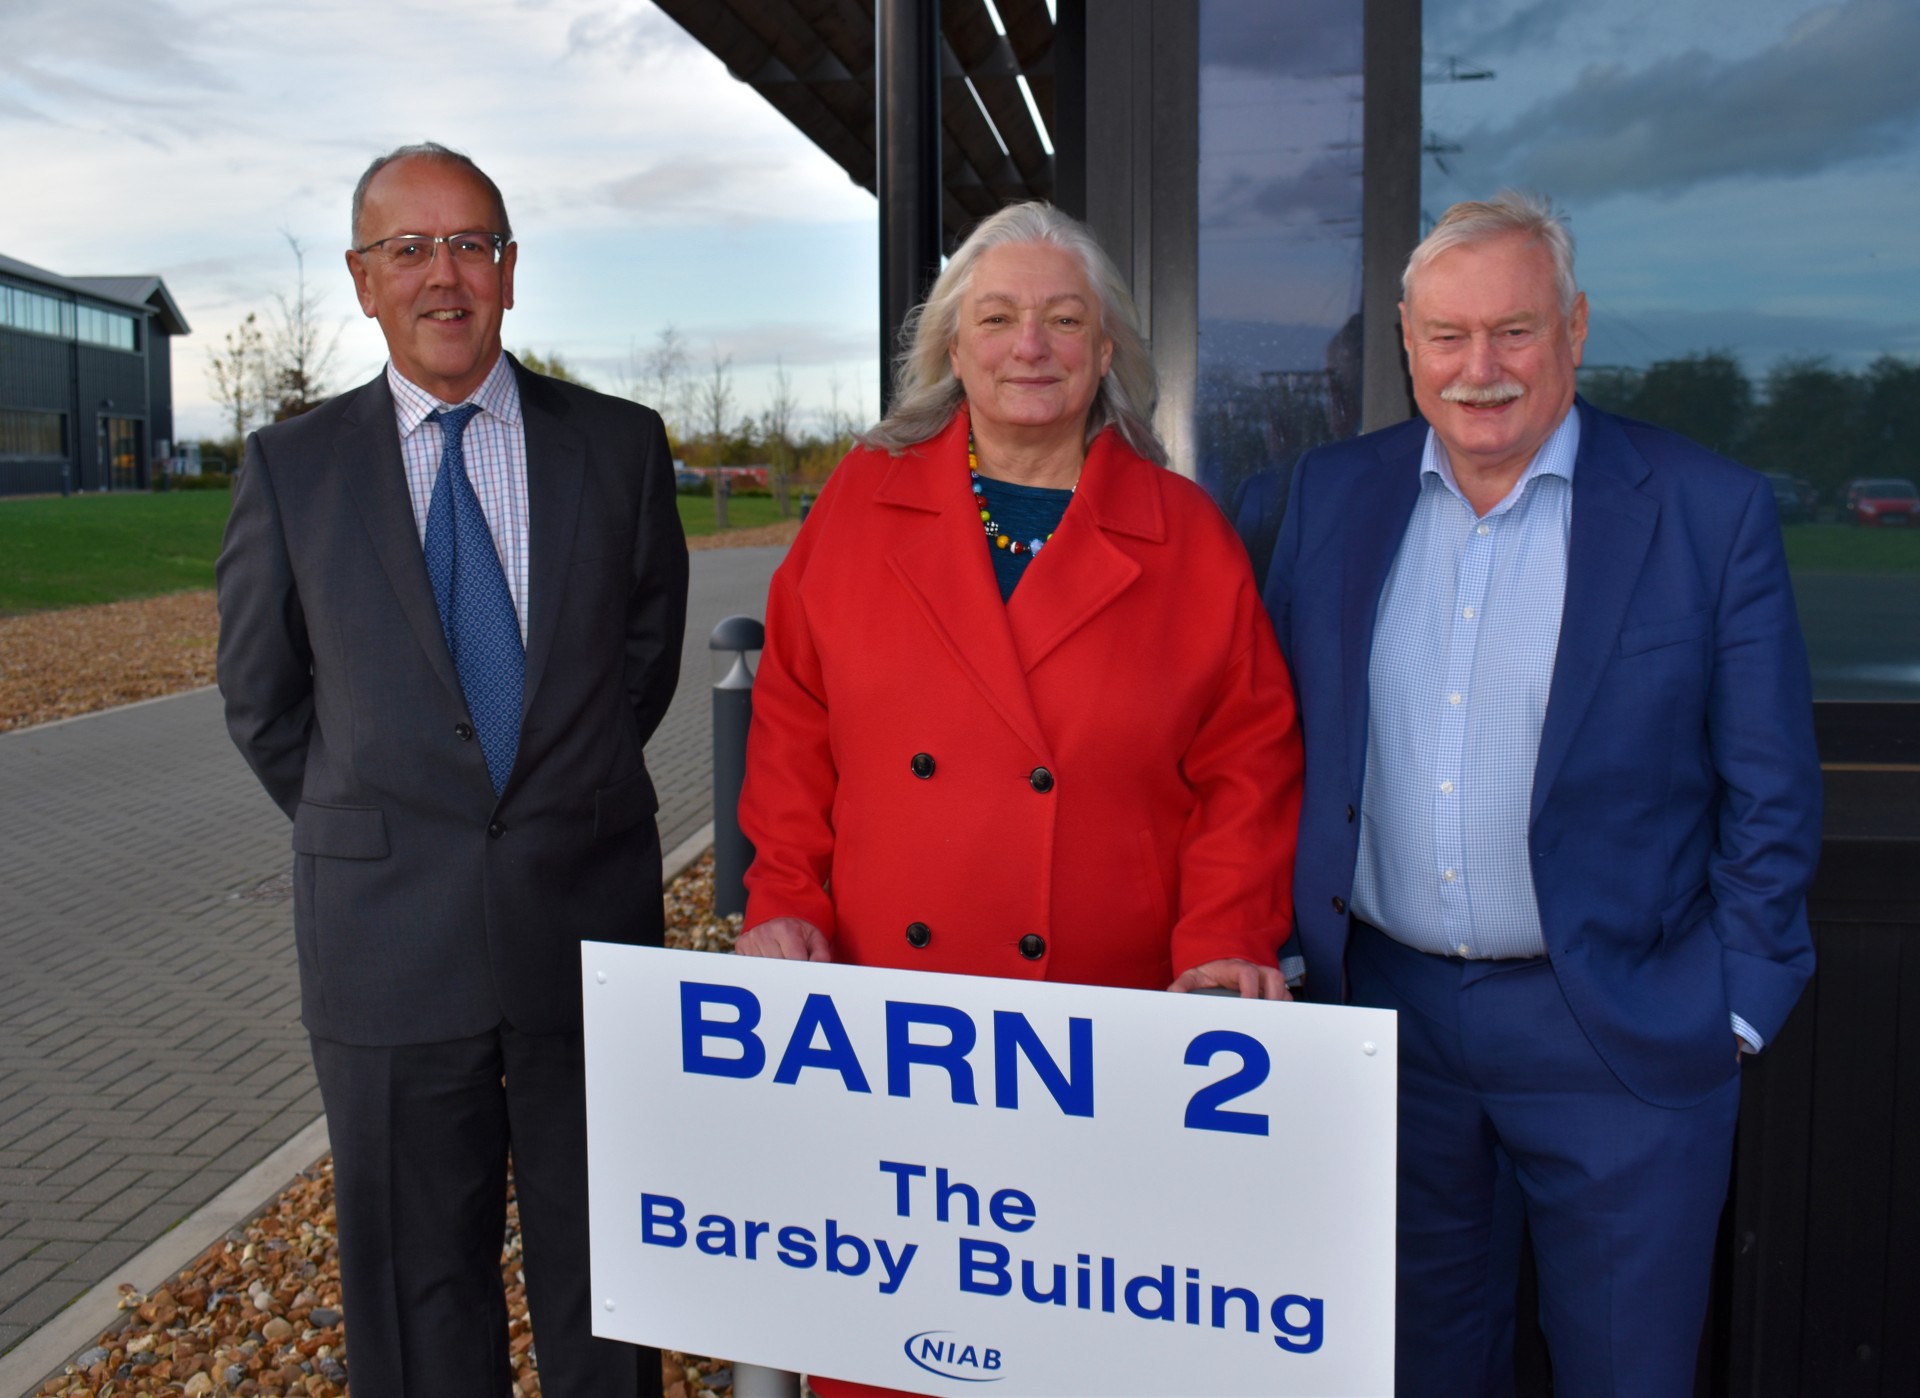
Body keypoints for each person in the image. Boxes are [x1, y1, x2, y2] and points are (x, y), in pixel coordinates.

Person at [735, 200, 1304, 1397]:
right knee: (893, 1351)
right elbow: (794, 727)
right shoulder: (858, 504)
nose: (1028, 346)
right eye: (995, 317)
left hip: (1103, 1038)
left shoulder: (1187, 536)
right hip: (895, 1033)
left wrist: (1224, 944)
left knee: (1086, 1350)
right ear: (952, 347)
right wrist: (783, 901)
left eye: (1063, 320)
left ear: (1109, 353)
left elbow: (1247, 768)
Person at [1265, 190, 1821, 1396]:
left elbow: (1771, 786)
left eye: (1514, 332)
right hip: (1387, 1027)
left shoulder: (1703, 509)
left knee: (1625, 1372)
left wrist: (1737, 1002)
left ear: (1574, 330)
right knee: (1411, 1368)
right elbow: (1270, 745)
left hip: (1620, 1025)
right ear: (1406, 347)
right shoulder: (1329, 498)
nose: (1481, 369)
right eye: (1448, 337)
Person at [217, 142, 687, 1398]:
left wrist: (543, 803)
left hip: (582, 927)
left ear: (511, 272)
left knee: (606, 1285)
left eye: (471, 244)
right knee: (418, 1297)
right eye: (409, 249)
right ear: (364, 282)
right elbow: (265, 704)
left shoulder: (623, 448)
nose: (444, 275)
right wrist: (385, 817)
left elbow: (635, 673)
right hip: (386, 944)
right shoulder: (291, 469)